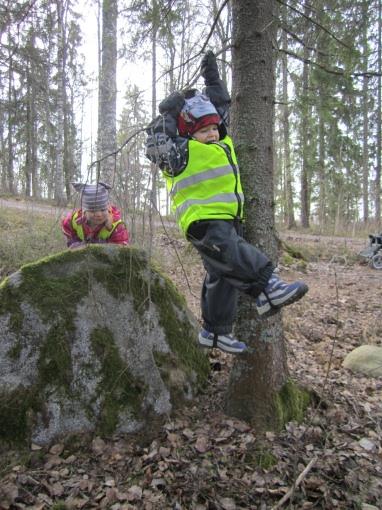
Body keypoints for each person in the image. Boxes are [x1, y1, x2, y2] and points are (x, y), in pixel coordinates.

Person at [145, 51, 308, 354]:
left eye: (213, 129)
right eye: (203, 131)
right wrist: (169, 114)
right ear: (190, 133)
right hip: (202, 221)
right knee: (234, 254)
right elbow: (156, 145)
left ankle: (215, 332)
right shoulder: (181, 152)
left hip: (227, 218)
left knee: (222, 275)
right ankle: (267, 287)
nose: (210, 134)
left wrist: (213, 80)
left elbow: (221, 109)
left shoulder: (224, 143)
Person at [62, 181, 129, 248]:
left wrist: (103, 247)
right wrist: (74, 243)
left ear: (108, 209)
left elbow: (122, 250)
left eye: (103, 209)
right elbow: (67, 231)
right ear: (84, 211)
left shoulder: (118, 227)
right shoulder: (73, 220)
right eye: (93, 210)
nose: (99, 214)